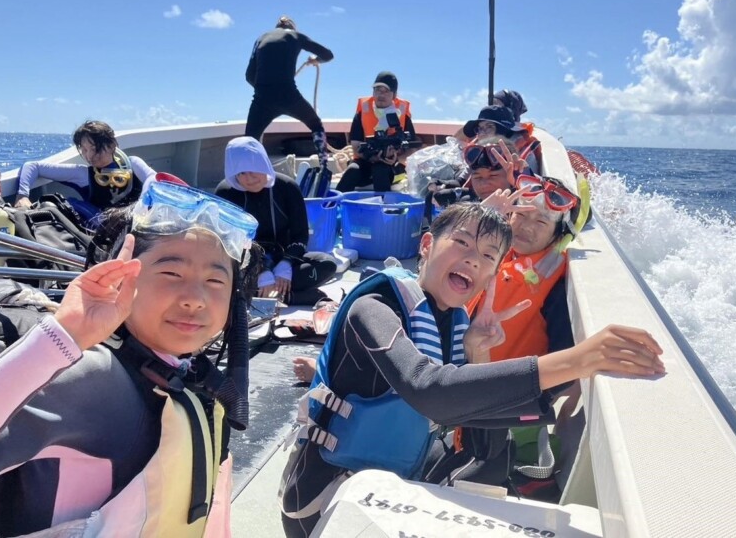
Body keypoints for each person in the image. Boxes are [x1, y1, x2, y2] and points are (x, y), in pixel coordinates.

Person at [277, 203, 669, 537]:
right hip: (323, 494)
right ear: (427, 245)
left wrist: (478, 353)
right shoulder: (375, 307)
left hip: (391, 481)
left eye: (487, 256)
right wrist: (580, 358)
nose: (472, 259)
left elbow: (475, 421)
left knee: (494, 454)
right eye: (462, 243)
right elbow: (429, 392)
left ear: (491, 274)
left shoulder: (453, 323)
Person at [0, 181, 259, 536]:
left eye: (216, 281)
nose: (195, 298)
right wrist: (61, 339)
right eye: (171, 273)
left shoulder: (193, 380)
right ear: (121, 276)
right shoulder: (91, 379)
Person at [471, 176, 587, 499]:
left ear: (557, 233)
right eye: (520, 215)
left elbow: (563, 367)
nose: (526, 227)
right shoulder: (494, 251)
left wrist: (519, 400)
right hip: (457, 381)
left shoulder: (554, 284)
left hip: (504, 408)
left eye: (541, 221)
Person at [215, 138, 336, 305]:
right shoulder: (226, 193)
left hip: (283, 261)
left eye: (253, 170)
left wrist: (286, 264)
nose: (249, 178)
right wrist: (259, 270)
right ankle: (288, 297)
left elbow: (300, 235)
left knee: (327, 263)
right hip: (245, 265)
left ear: (263, 164)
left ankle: (265, 295)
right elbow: (227, 241)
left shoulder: (287, 187)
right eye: (241, 173)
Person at [13, 120, 155, 227]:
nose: (89, 156)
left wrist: (143, 203)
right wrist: (22, 195)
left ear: (112, 145)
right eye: (84, 150)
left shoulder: (133, 164)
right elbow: (33, 166)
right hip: (104, 232)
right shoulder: (82, 174)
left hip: (138, 224)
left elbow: (153, 178)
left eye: (94, 148)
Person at [243, 16, 335, 142]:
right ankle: (323, 161)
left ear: (277, 27)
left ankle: (250, 161)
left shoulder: (261, 38)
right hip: (290, 97)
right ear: (292, 27)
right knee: (316, 125)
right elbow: (328, 55)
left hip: (262, 100)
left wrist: (264, 90)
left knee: (249, 139)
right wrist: (315, 60)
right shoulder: (296, 36)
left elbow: (249, 75)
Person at [346, 71, 413, 146]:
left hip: (398, 156)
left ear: (394, 95)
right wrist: (373, 157)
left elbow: (412, 147)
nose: (381, 94)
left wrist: (397, 156)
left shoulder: (403, 114)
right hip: (368, 157)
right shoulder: (362, 112)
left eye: (386, 91)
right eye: (378, 89)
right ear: (373, 92)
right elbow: (355, 144)